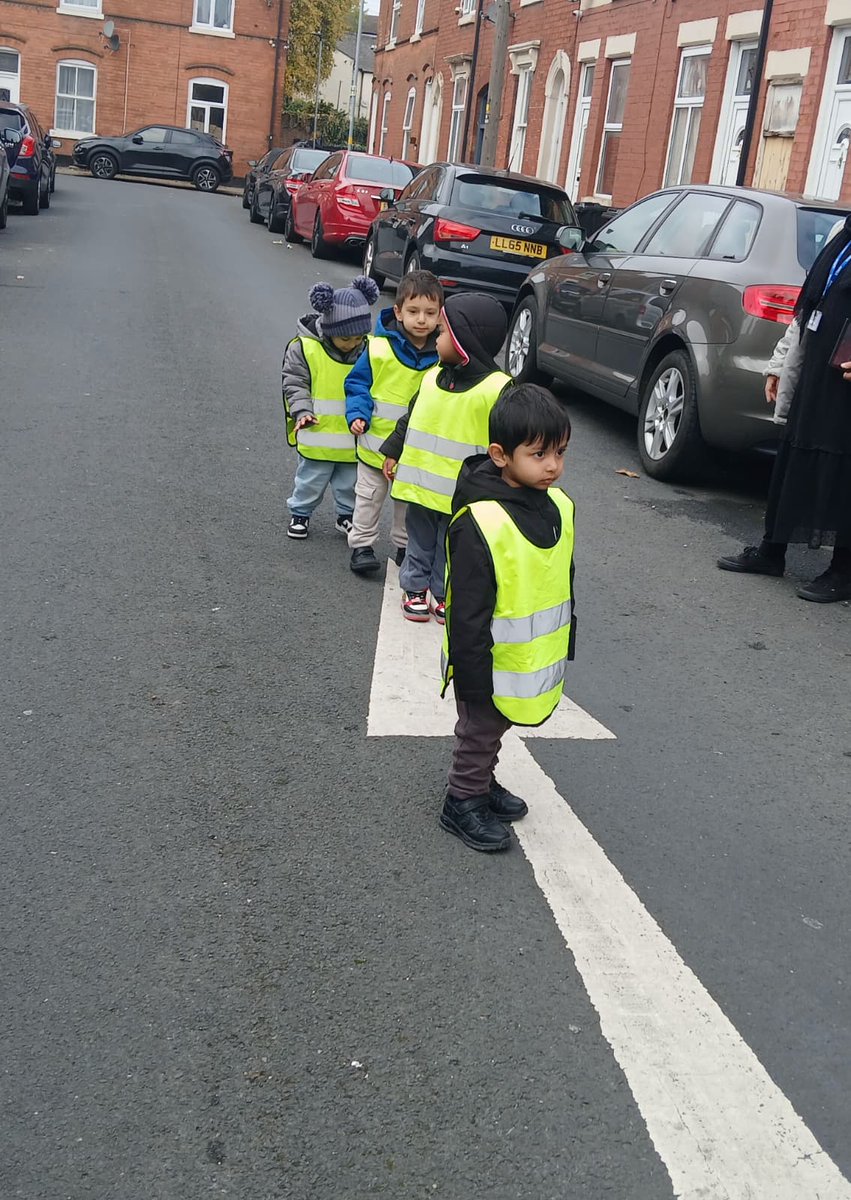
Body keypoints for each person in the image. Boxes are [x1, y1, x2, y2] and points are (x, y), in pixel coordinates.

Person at [439, 384, 576, 853]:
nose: (553, 465)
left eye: (559, 452)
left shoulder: (558, 506)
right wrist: (472, 679)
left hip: (523, 659)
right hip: (484, 661)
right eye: (539, 454)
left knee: (496, 730)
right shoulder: (482, 521)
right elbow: (468, 611)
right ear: (500, 455)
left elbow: (559, 578)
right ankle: (462, 799)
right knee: (479, 730)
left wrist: (567, 640)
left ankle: (482, 784)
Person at [718, 215, 851, 602]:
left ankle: (843, 570)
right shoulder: (843, 233)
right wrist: (779, 365)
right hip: (816, 371)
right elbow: (807, 312)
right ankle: (772, 551)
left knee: (843, 469)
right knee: (795, 457)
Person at [380, 292, 511, 622]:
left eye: (442, 333)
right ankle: (413, 587)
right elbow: (410, 420)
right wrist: (392, 452)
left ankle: (441, 591)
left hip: (463, 495)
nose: (436, 339)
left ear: (465, 340)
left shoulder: (498, 389)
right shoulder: (430, 378)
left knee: (451, 548)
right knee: (420, 541)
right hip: (422, 487)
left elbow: (509, 440)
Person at [345, 271, 443, 574]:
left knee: (407, 505)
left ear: (441, 315)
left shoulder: (442, 355)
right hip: (375, 446)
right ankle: (361, 546)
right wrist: (357, 414)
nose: (422, 320)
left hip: (412, 453)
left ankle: (404, 548)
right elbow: (357, 384)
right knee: (368, 498)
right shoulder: (377, 348)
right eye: (413, 312)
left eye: (430, 313)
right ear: (398, 312)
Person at [282, 276, 380, 540]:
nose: (353, 343)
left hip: (352, 435)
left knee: (350, 483)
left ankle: (346, 516)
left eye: (360, 337)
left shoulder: (368, 350)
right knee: (310, 479)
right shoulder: (305, 348)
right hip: (318, 431)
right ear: (329, 330)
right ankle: (300, 512)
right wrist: (301, 411)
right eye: (346, 338)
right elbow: (295, 383)